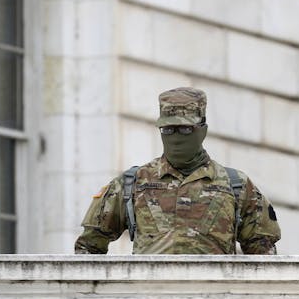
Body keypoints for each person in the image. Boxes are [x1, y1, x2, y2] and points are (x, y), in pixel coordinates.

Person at [74, 87, 281, 254]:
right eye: (168, 130)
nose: (175, 137)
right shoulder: (132, 183)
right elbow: (88, 248)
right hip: (147, 298)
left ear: (203, 131)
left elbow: (263, 259)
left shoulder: (237, 185)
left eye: (184, 130)